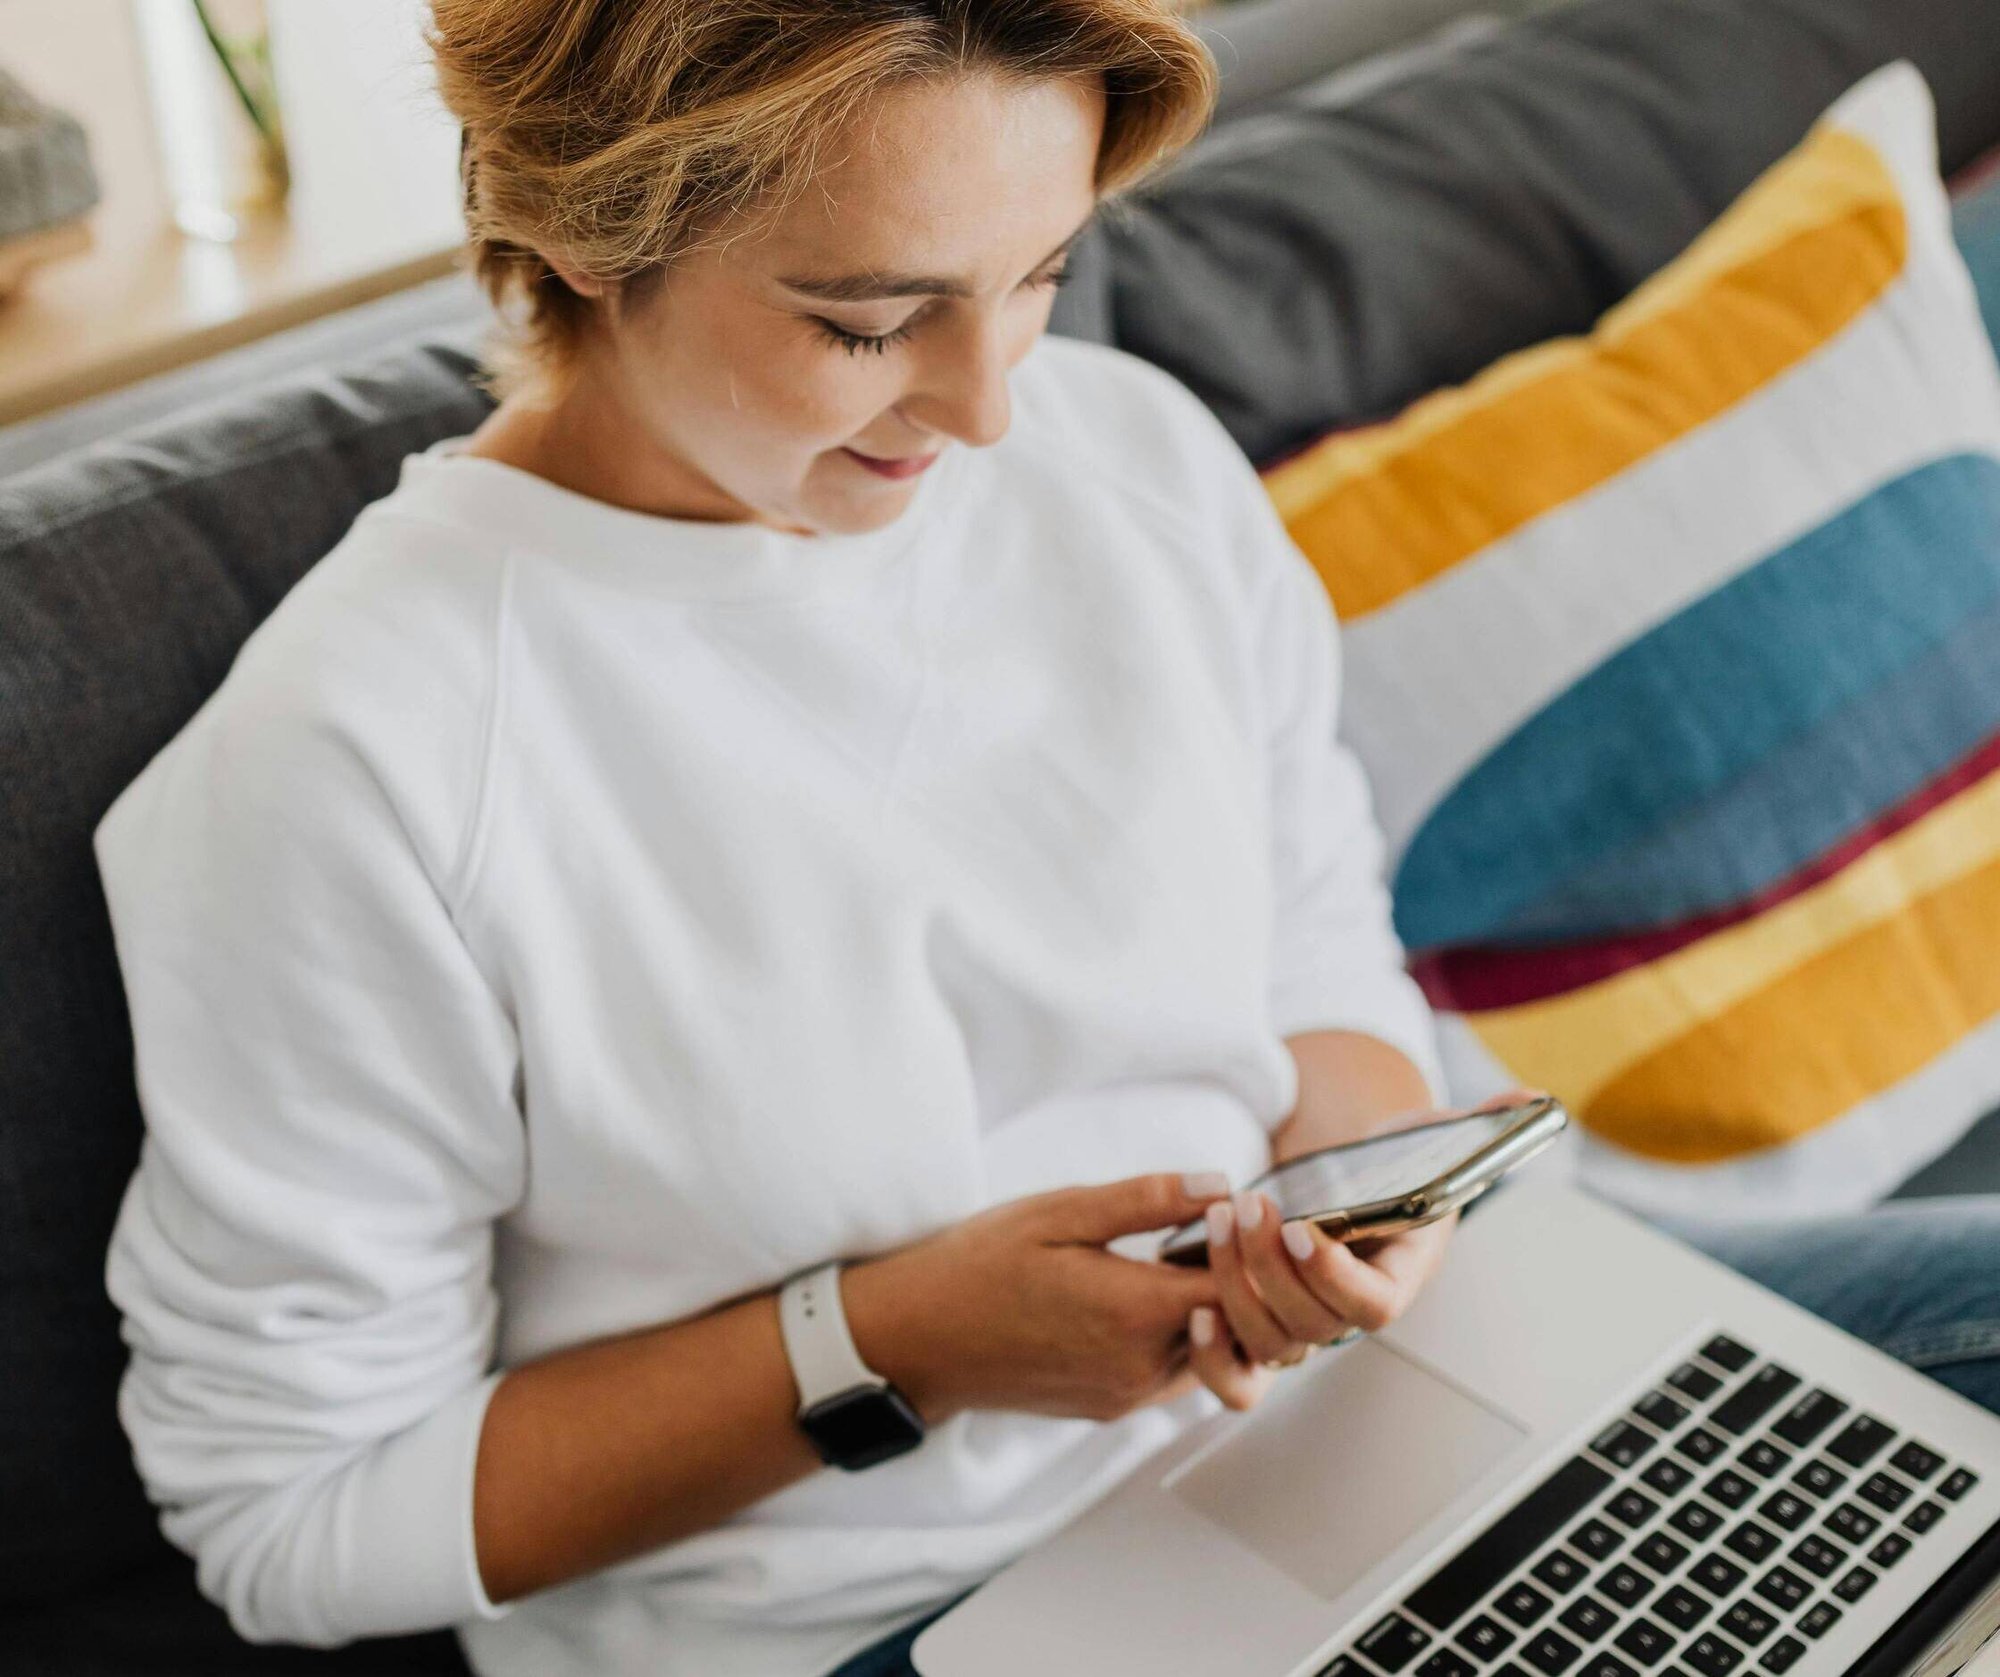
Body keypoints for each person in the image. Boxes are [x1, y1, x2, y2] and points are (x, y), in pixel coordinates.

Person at [88, 5, 2000, 1677]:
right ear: (593, 237)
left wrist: (1359, 1200)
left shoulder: (1134, 458)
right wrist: (900, 1340)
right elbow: (293, 1518)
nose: (996, 408)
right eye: (867, 324)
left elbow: (1318, 940)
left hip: (1380, 1402)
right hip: (902, 1609)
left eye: (1044, 274)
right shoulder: (359, 764)